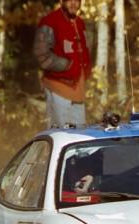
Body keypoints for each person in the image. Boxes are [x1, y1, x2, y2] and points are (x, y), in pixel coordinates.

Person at [34, 0, 91, 129]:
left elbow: (85, 52)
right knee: (61, 134)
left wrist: (86, 71)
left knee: (81, 136)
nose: (73, 4)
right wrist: (67, 66)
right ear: (61, 1)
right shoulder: (50, 21)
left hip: (78, 88)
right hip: (58, 87)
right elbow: (41, 54)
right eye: (69, 0)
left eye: (77, 1)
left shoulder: (80, 23)